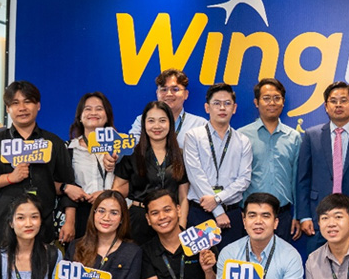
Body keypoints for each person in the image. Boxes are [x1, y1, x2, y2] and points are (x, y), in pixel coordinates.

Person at [0, 80, 81, 249]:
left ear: (38, 105)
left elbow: (68, 185)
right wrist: (10, 178)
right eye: (15, 103)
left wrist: (70, 222)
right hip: (1, 233)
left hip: (42, 234)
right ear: (8, 109)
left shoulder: (53, 143)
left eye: (27, 102)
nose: (22, 108)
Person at [297, 81, 349, 253]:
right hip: (318, 217)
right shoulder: (311, 136)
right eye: (333, 101)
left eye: (344, 100)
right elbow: (303, 180)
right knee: (317, 265)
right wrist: (304, 216)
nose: (338, 105)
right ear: (326, 106)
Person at [183, 82, 253, 248]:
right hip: (200, 213)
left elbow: (244, 179)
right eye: (217, 103)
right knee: (200, 262)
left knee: (230, 260)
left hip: (232, 214)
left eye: (227, 103)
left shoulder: (243, 141)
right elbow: (195, 176)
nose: (222, 108)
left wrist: (217, 199)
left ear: (234, 108)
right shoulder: (193, 136)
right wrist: (218, 211)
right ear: (207, 107)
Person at [112, 101, 190, 245]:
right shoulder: (131, 154)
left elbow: (183, 196)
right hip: (139, 220)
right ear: (144, 124)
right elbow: (116, 190)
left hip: (170, 220)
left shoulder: (181, 155)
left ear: (170, 123)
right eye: (151, 121)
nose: (157, 126)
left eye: (162, 121)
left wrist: (182, 226)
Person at [238, 78, 302, 243]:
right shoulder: (242, 136)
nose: (272, 103)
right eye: (266, 98)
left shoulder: (293, 137)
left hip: (283, 215)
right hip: (251, 215)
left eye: (276, 98)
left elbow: (297, 180)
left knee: (280, 257)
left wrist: (297, 215)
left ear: (283, 102)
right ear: (256, 102)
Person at [66, 92, 117, 238]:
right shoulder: (69, 148)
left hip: (113, 210)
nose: (93, 113)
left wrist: (107, 194)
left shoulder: (120, 146)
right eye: (88, 109)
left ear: (107, 115)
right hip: (82, 212)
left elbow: (128, 182)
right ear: (80, 117)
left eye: (99, 109)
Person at [128, 68, 207, 143]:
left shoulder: (200, 124)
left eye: (175, 89)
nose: (169, 94)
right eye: (164, 89)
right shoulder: (142, 120)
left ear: (186, 94)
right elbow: (132, 148)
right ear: (157, 93)